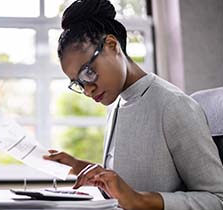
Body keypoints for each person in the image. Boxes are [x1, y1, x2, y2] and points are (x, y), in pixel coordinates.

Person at [43, 0, 223, 209]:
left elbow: (217, 198)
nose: (87, 90)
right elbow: (128, 187)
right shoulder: (116, 105)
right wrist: (77, 166)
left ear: (112, 45)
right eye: (79, 83)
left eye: (88, 72)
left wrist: (141, 201)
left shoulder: (173, 106)